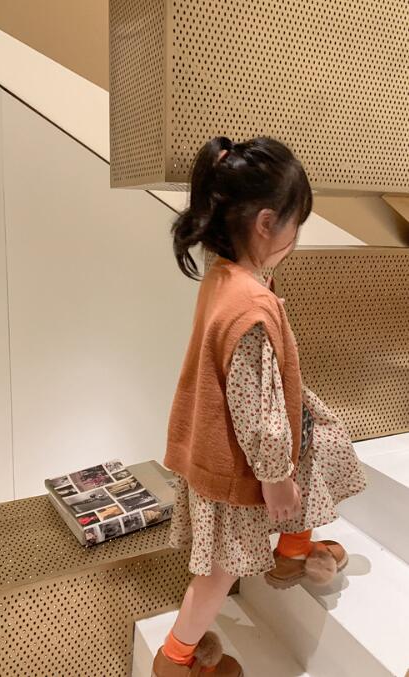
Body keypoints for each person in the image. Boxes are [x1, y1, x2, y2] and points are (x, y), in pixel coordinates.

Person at [152, 137, 366, 677]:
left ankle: (293, 551)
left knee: (317, 434)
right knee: (218, 573)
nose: (297, 238)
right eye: (297, 224)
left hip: (221, 444)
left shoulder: (223, 275)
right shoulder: (250, 306)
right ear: (267, 223)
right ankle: (174, 660)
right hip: (235, 462)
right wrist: (275, 477)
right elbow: (258, 416)